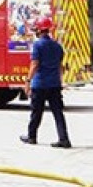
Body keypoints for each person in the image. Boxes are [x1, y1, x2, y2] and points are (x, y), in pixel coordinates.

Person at [19, 16, 71, 148]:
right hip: (54, 85)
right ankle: (64, 139)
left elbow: (34, 64)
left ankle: (31, 136)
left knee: (36, 112)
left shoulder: (38, 45)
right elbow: (60, 66)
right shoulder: (57, 46)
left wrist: (28, 81)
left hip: (40, 85)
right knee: (58, 113)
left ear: (39, 30)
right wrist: (60, 81)